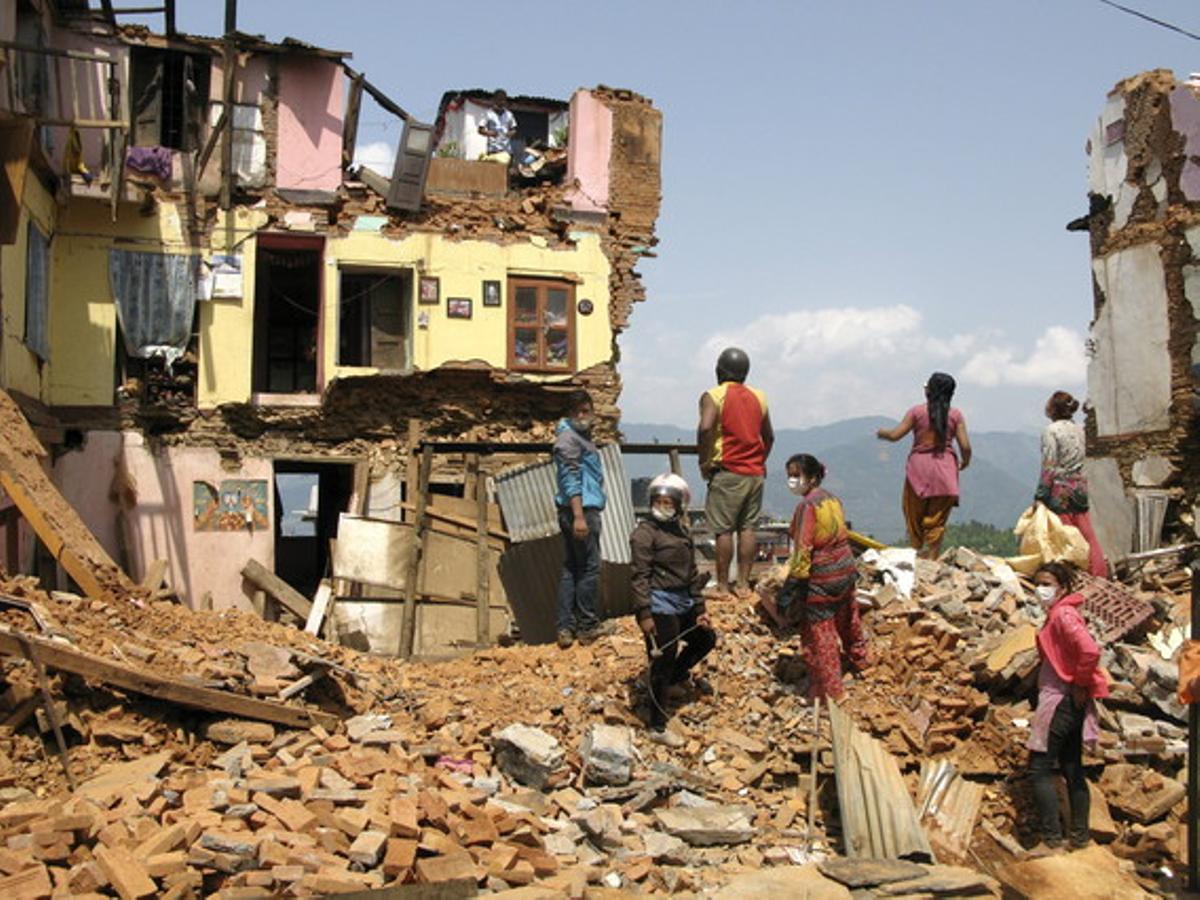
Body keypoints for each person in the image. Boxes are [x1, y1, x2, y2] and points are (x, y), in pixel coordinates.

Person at [761, 454, 868, 700]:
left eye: (797, 476)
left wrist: (791, 587)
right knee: (849, 621)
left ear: (811, 477)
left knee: (819, 636)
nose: (792, 481)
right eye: (790, 476)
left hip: (821, 581)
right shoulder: (832, 499)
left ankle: (830, 690)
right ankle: (861, 662)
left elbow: (803, 549)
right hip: (845, 572)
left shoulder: (807, 507)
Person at [1027, 561, 1109, 853]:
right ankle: (1079, 838)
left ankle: (1051, 840)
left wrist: (1077, 682)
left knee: (1039, 769)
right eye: (1038, 583)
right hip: (1069, 700)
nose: (1041, 589)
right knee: (1072, 766)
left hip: (1060, 699)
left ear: (1062, 588)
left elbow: (1089, 650)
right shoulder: (1060, 614)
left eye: (1047, 583)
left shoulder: (1062, 614)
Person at [631, 473, 716, 746]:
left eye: (669, 502)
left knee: (705, 639)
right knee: (662, 659)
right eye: (659, 501)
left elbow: (691, 573)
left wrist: (700, 606)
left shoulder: (682, 532)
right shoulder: (644, 534)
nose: (663, 506)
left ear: (679, 505)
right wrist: (644, 613)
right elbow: (639, 575)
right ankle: (656, 725)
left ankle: (675, 679)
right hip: (658, 603)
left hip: (683, 601)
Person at [698, 347, 774, 600]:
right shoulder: (759, 397)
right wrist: (759, 460)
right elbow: (769, 436)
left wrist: (704, 460)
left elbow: (706, 427)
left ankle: (721, 587)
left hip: (728, 471)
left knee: (723, 530)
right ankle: (742, 585)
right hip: (755, 473)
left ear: (719, 370)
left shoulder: (714, 396)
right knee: (748, 528)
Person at [876, 372, 971, 559]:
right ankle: (933, 559)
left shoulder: (916, 412)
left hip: (918, 470)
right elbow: (965, 446)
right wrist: (965, 461)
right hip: (946, 471)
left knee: (914, 515)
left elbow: (896, 435)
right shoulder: (956, 415)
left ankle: (916, 553)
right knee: (937, 520)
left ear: (930, 390)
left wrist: (882, 433)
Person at [553, 391, 614, 648]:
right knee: (589, 567)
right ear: (569, 413)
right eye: (577, 411)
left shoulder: (578, 437)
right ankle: (587, 626)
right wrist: (579, 516)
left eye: (586, 410)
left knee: (573, 567)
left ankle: (565, 627)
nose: (582, 415)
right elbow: (571, 480)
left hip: (577, 511)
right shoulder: (569, 440)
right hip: (581, 511)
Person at [1036, 391, 1108, 578]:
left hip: (1061, 488)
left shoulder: (1051, 431)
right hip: (1080, 485)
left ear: (1052, 409)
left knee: (1064, 535)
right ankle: (1098, 573)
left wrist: (1041, 494)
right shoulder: (1080, 430)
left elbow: (1049, 465)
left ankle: (1066, 576)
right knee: (1086, 533)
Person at [478, 90, 517, 164]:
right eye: (499, 100)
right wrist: (490, 133)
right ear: (494, 100)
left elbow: (514, 130)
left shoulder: (509, 115)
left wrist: (509, 134)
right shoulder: (488, 114)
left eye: (503, 100)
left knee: (506, 173)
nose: (501, 102)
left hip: (506, 151)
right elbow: (480, 130)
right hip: (493, 151)